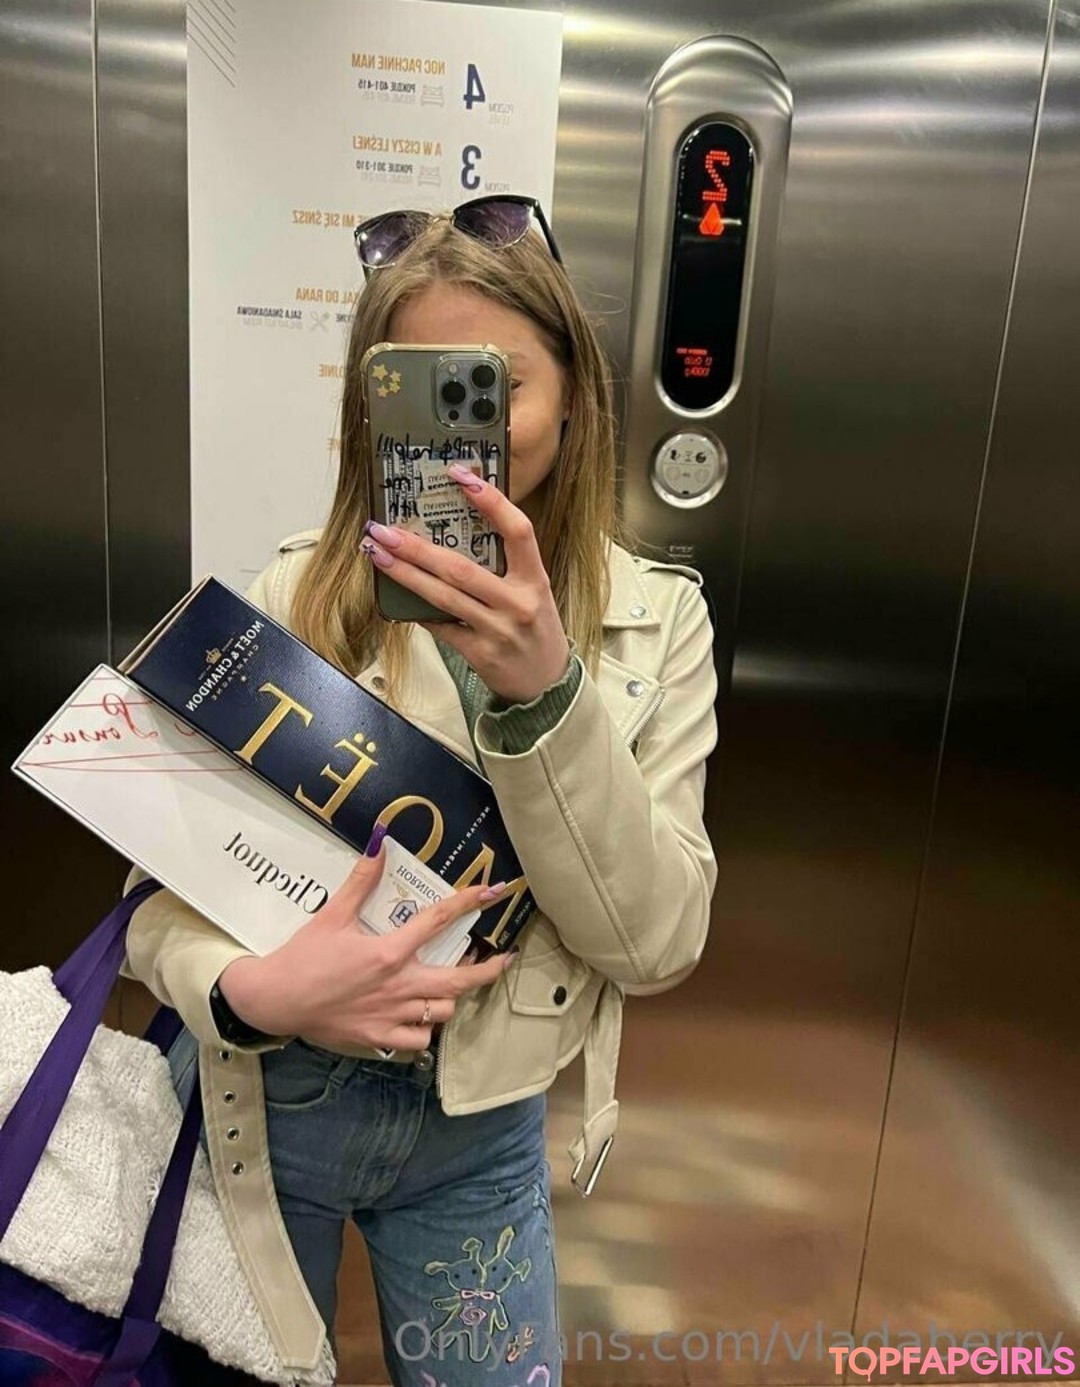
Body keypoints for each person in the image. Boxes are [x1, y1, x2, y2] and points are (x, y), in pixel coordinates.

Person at [125, 194, 718, 1387]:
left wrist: (548, 694)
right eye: (418, 389)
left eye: (492, 387)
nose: (458, 436)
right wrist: (253, 990)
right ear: (368, 409)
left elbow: (655, 943)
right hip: (260, 1109)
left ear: (572, 395)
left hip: (479, 1133)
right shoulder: (296, 598)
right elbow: (154, 897)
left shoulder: (654, 625)